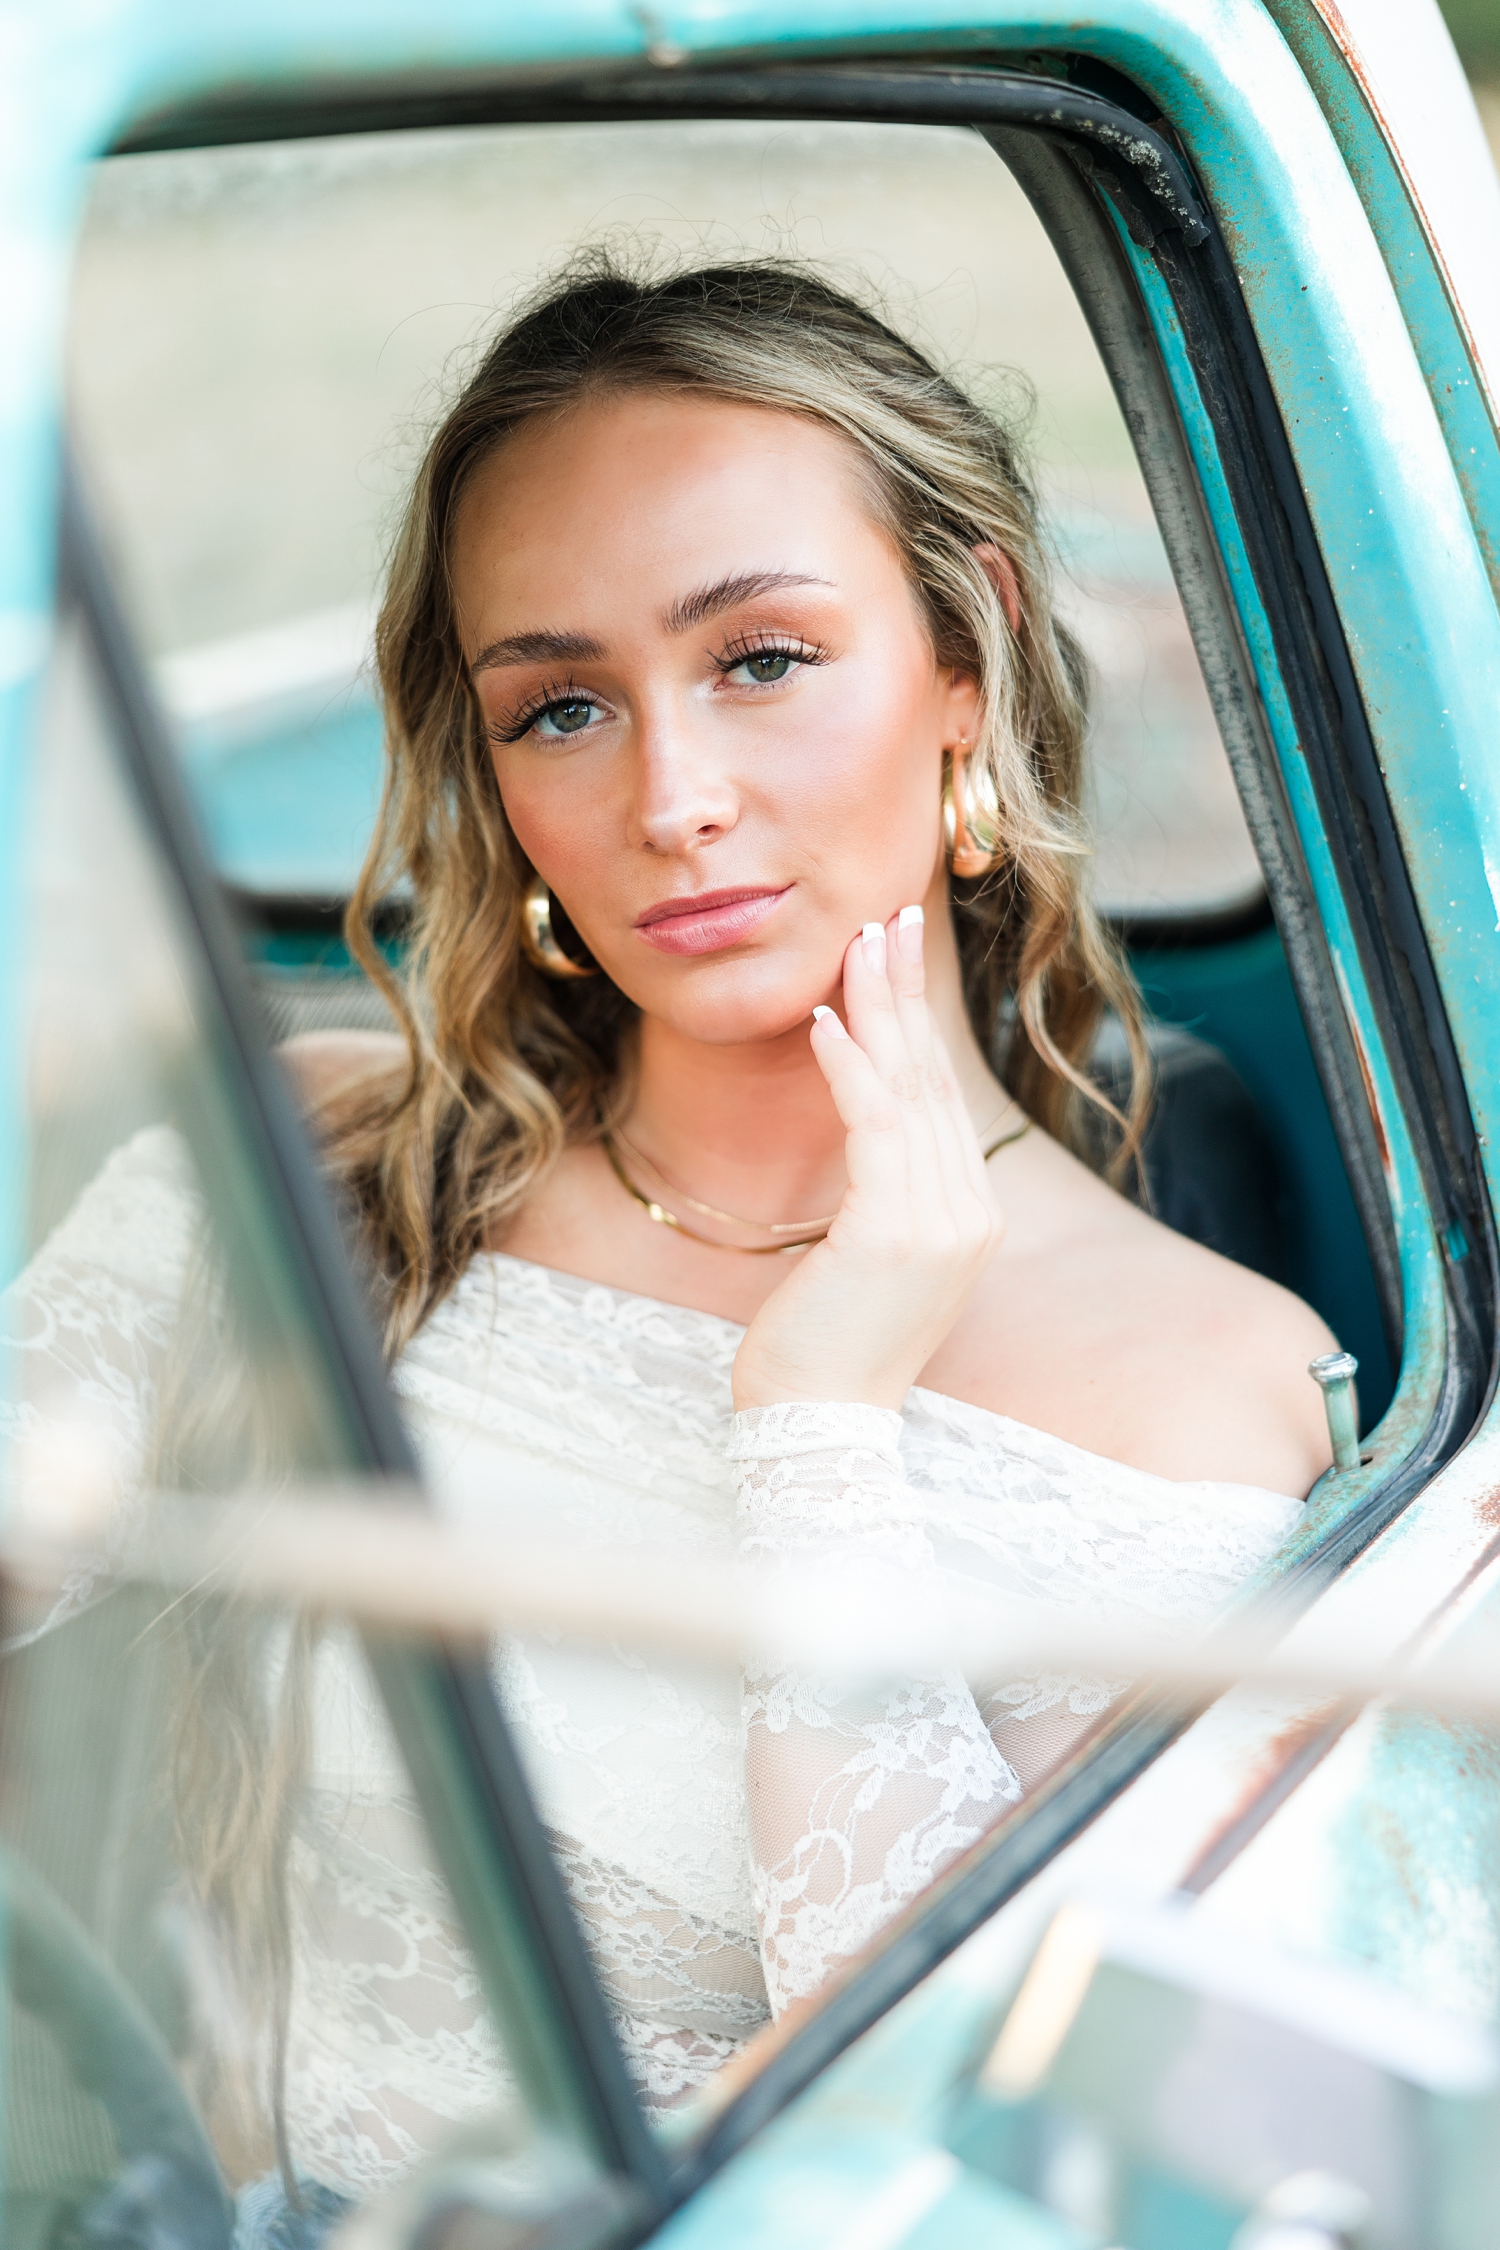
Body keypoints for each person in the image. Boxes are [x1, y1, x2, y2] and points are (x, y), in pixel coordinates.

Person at [2, 258, 1337, 2214]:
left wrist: (819, 1424)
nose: (673, 798)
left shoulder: (1205, 1385)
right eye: (561, 707)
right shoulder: (323, 1162)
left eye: (765, 661)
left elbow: (959, 2134)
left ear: (965, 657)